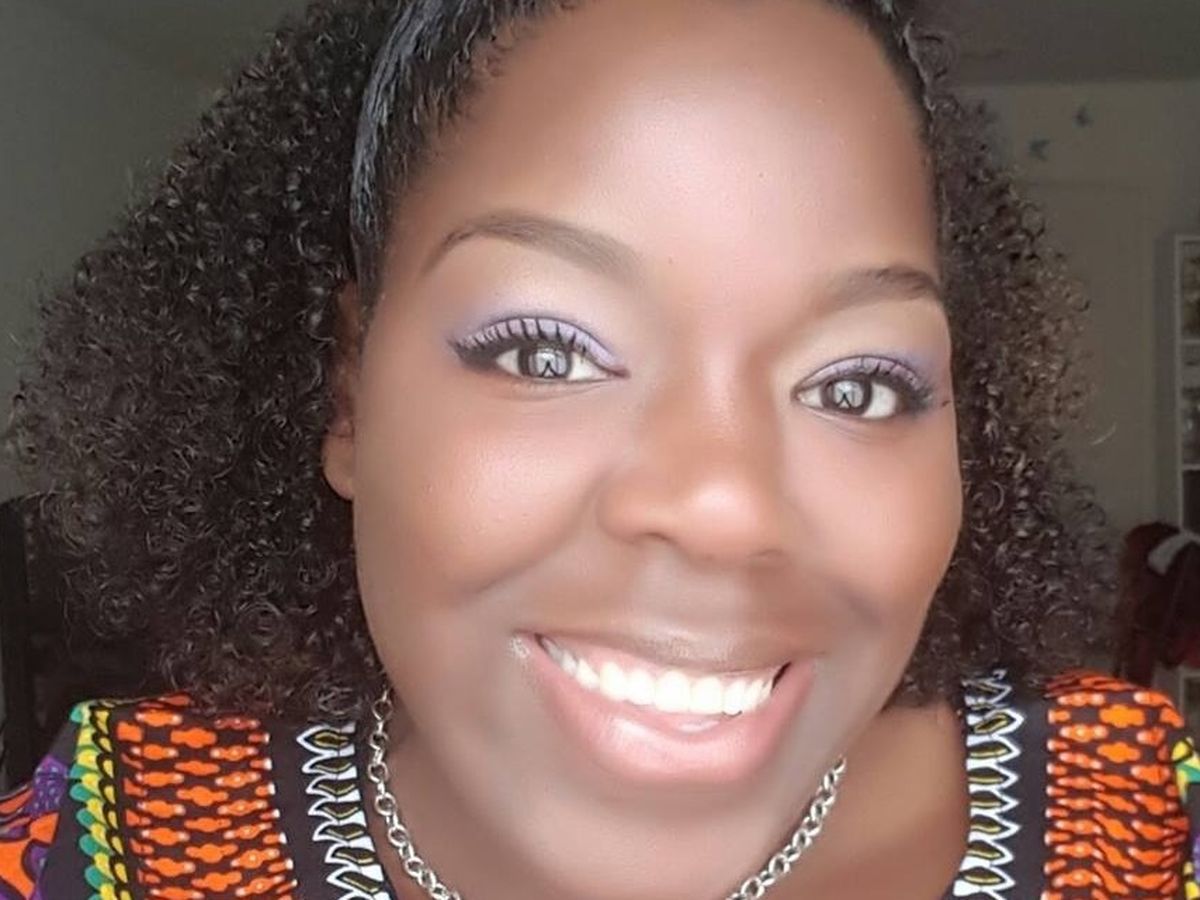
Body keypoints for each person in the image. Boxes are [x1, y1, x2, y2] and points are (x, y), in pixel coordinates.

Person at [1, 0, 1197, 897]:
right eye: (546, 353)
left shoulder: (1139, 823)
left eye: (857, 384)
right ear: (348, 393)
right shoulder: (106, 844)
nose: (725, 506)